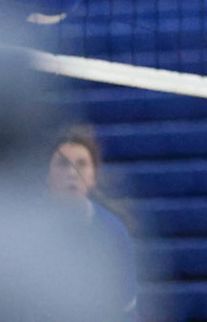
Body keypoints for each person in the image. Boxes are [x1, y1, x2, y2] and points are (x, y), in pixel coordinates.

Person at [48, 126, 138, 321]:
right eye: (63, 164)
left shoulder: (113, 231)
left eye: (81, 164)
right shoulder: (24, 228)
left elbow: (125, 308)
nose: (72, 173)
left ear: (93, 176)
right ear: (47, 174)